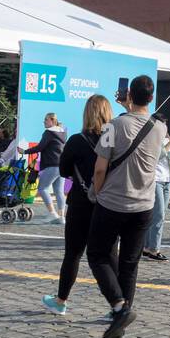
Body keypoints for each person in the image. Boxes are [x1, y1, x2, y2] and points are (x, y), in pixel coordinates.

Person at [85, 75, 166, 338]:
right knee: (130, 263)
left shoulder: (113, 126)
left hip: (113, 202)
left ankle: (119, 307)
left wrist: (96, 192)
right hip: (144, 205)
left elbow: (99, 168)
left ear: (129, 94)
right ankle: (120, 321)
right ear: (151, 98)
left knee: (97, 254)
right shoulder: (160, 128)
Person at [42, 95, 113, 316]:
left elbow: (63, 170)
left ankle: (61, 300)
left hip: (81, 202)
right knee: (110, 255)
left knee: (73, 254)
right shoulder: (112, 138)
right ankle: (117, 304)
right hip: (108, 203)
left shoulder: (77, 140)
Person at [141, 120, 170, 262]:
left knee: (155, 214)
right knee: (158, 215)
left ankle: (146, 246)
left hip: (167, 180)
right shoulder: (150, 140)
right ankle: (154, 249)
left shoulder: (167, 140)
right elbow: (159, 155)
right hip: (155, 180)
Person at [22, 113, 67, 224]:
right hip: (61, 165)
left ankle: (52, 214)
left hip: (51, 165)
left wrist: (24, 151)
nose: (44, 122)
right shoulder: (63, 132)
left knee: (42, 188)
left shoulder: (48, 133)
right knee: (59, 192)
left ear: (52, 120)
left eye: (46, 120)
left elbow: (40, 147)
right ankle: (62, 217)